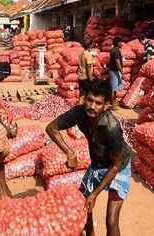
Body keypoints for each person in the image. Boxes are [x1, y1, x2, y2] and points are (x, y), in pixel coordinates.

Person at [46, 80, 131, 236]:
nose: (92, 106)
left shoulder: (111, 127)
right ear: (84, 98)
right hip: (98, 163)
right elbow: (51, 128)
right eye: (90, 100)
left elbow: (116, 165)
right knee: (83, 206)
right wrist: (69, 152)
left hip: (118, 167)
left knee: (111, 221)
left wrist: (94, 194)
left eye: (98, 103)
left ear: (106, 105)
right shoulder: (79, 113)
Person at [108, 37, 123, 110]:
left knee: (114, 88)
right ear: (118, 43)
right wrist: (121, 71)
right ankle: (113, 106)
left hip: (112, 71)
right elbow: (117, 62)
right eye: (121, 42)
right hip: (115, 71)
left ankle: (113, 103)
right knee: (114, 89)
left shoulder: (112, 50)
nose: (122, 44)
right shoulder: (116, 51)